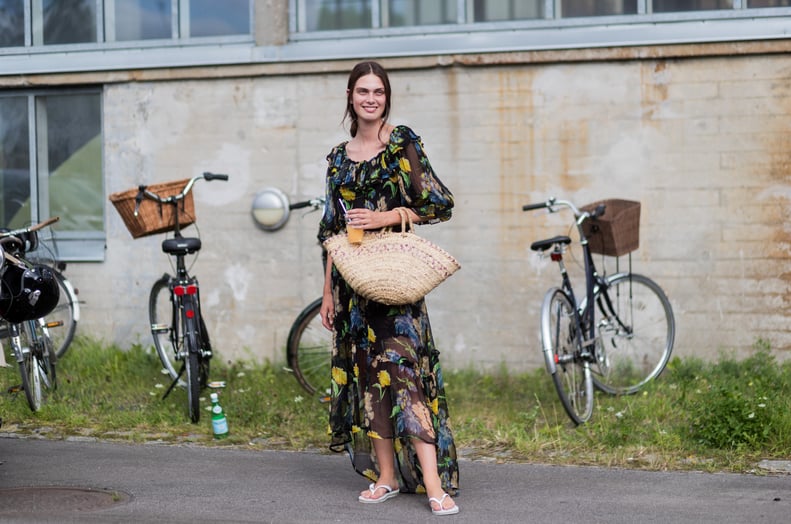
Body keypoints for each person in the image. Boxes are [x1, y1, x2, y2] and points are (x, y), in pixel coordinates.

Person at [317, 61, 460, 517]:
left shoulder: (402, 143)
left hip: (395, 285)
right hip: (353, 286)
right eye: (363, 91)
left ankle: (434, 485)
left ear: (387, 97)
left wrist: (385, 217)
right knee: (368, 380)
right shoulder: (338, 158)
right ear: (350, 96)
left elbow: (438, 204)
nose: (371, 99)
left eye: (378, 91)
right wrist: (327, 293)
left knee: (405, 377)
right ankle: (386, 477)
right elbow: (330, 232)